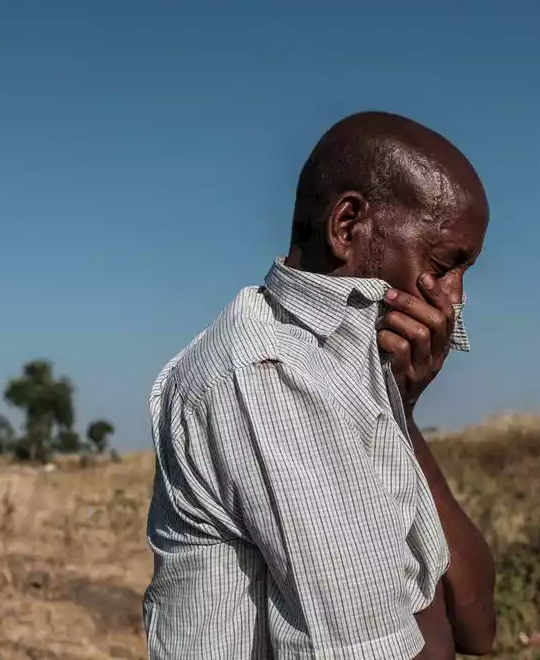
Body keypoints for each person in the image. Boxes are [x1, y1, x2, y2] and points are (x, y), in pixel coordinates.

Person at [143, 111, 497, 659]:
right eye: (444, 264)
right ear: (348, 225)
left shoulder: (351, 371)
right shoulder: (272, 373)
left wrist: (402, 409)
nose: (456, 298)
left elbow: (474, 624)